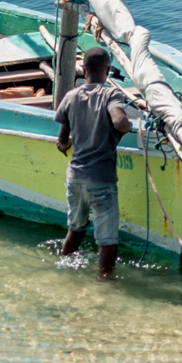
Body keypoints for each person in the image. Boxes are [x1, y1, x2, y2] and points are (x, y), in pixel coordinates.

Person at [54, 44, 132, 280]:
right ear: (108, 70)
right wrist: (125, 128)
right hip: (101, 180)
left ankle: (64, 272)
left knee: (75, 231)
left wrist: (66, 145)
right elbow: (119, 121)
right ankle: (104, 285)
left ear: (83, 68)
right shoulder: (111, 94)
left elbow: (62, 140)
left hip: (75, 178)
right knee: (107, 241)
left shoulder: (71, 96)